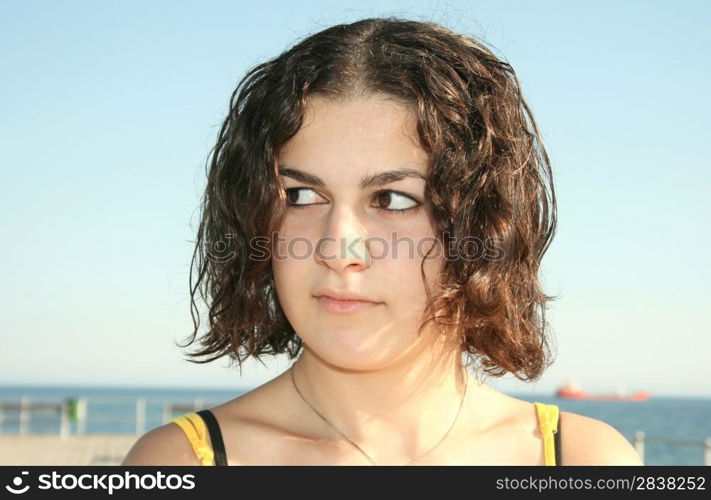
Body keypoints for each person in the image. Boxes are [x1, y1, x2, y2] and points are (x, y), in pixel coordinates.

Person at [122, 17, 643, 466]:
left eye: (393, 199)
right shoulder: (181, 463)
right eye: (301, 195)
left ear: (485, 226)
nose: (337, 249)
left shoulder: (584, 459)